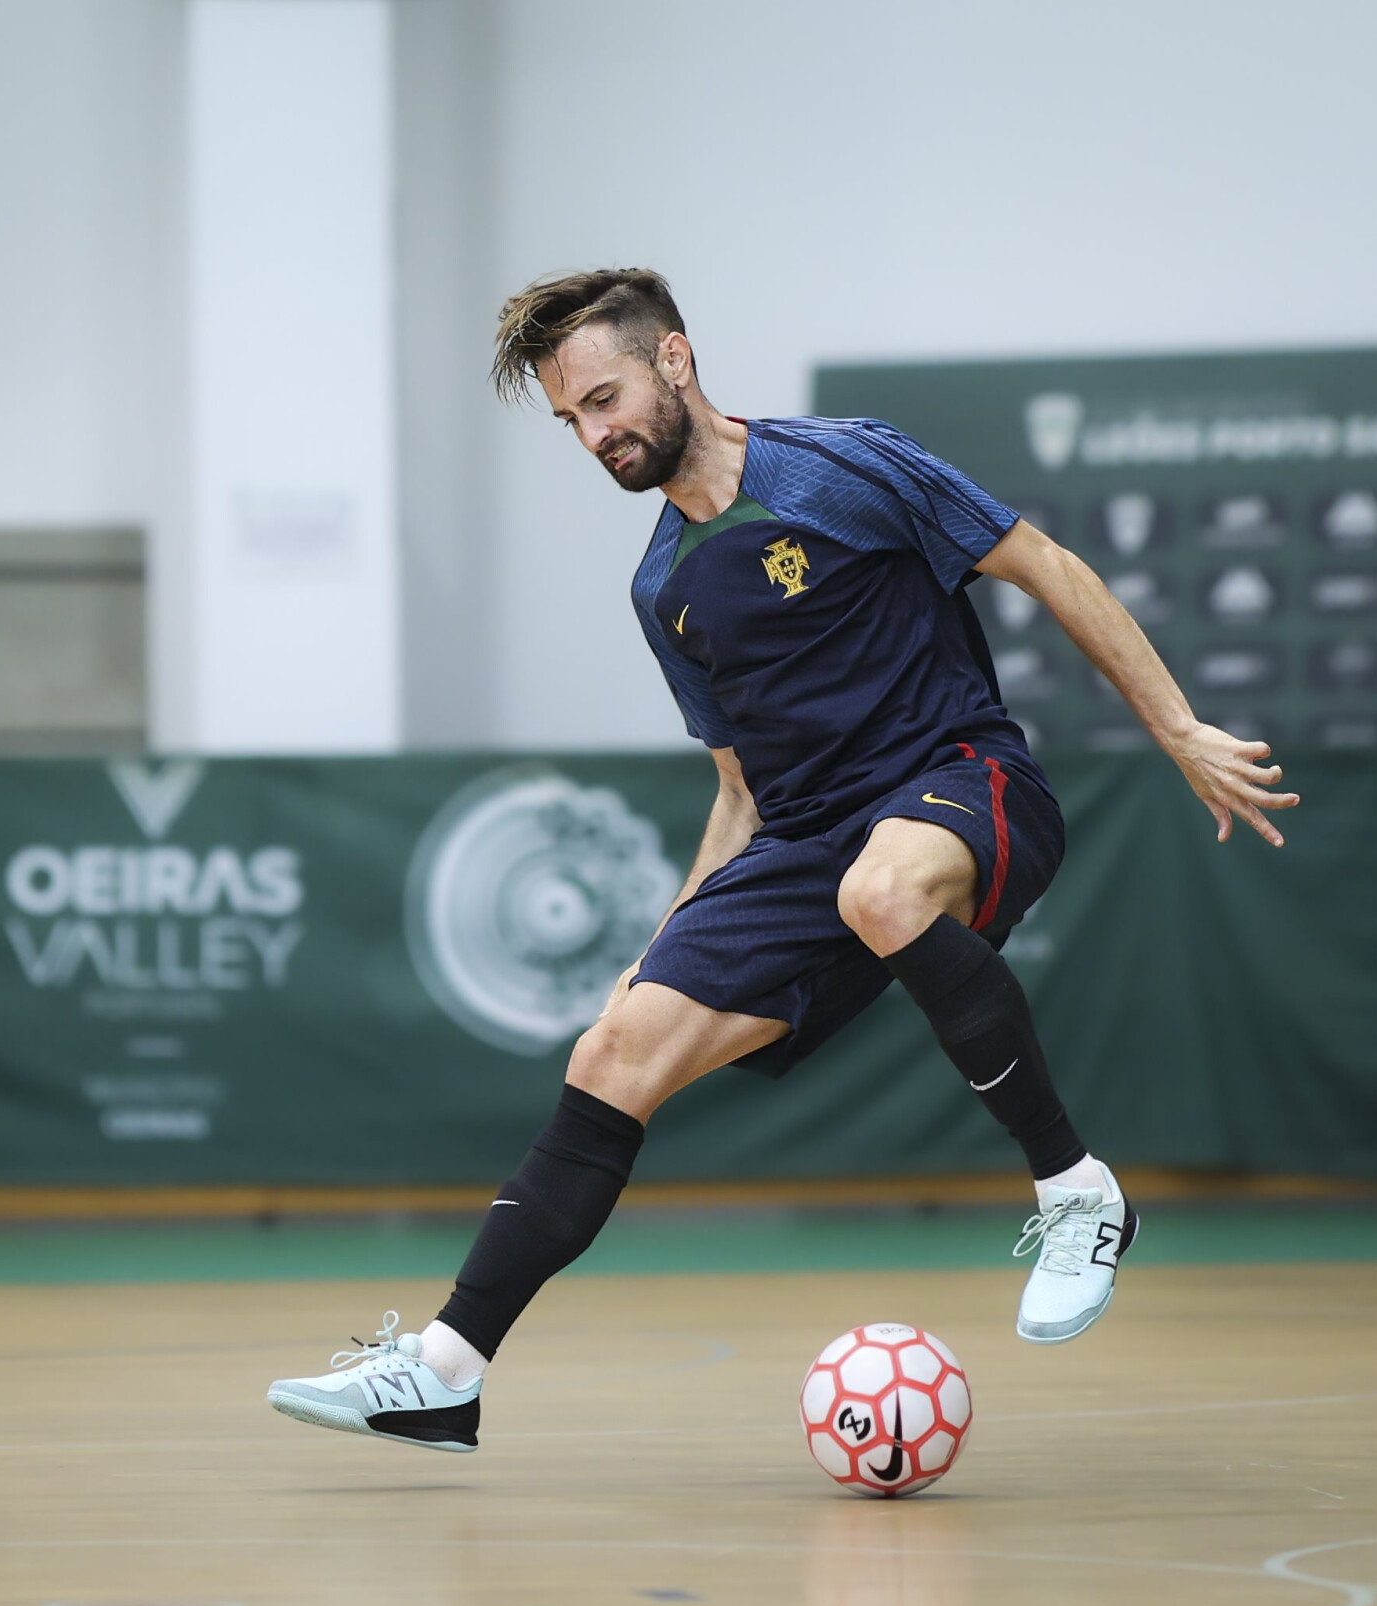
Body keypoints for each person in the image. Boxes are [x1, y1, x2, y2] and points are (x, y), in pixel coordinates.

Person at [269, 269, 1296, 1453]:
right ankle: (446, 1371)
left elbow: (1048, 567)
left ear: (675, 361)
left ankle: (1075, 1193)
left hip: (964, 777)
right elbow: (739, 795)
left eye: (605, 397)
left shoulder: (850, 464)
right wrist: (657, 950)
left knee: (882, 887)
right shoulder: (665, 587)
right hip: (807, 839)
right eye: (572, 422)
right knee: (614, 1049)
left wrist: (1180, 731)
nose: (597, 435)